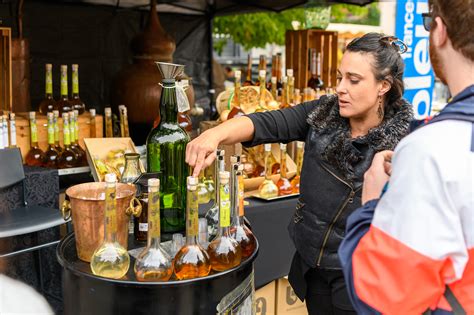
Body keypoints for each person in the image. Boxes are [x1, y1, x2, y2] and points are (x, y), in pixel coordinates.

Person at [186, 33, 413, 314]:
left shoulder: (405, 144)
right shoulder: (323, 113)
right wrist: (215, 135)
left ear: (384, 85)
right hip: (313, 267)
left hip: (360, 276)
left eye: (353, 80)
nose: (340, 88)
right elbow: (267, 123)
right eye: (340, 77)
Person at [338, 1, 474, 314]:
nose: (341, 88)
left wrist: (371, 204)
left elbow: (381, 297)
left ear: (438, 30)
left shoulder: (430, 149)